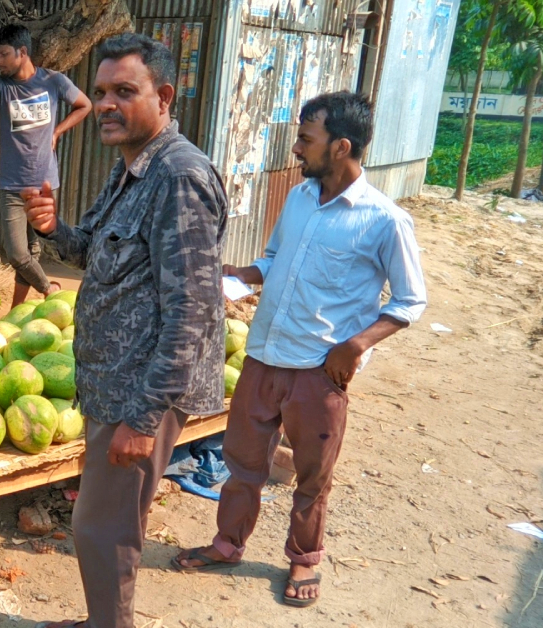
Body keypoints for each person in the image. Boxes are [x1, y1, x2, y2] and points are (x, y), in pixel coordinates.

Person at [171, 92, 427, 607]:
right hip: (264, 355)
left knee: (312, 476)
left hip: (318, 370)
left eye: (307, 139)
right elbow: (272, 259)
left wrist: (355, 346)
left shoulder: (384, 219)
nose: (296, 149)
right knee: (243, 463)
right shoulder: (299, 198)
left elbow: (410, 300)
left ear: (341, 147)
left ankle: (304, 560)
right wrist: (244, 275)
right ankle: (228, 545)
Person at [24, 34, 227, 628]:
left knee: (101, 528)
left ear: (163, 96)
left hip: (142, 391)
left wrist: (144, 418)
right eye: (102, 92)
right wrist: (54, 228)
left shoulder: (179, 176)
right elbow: (94, 252)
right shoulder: (132, 168)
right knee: (103, 525)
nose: (106, 104)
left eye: (124, 92)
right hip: (113, 383)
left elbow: (192, 309)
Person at [0, 24, 91, 305]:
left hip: (44, 182)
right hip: (11, 185)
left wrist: (58, 132)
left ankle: (16, 310)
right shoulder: (1, 84)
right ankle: (50, 290)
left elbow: (85, 105)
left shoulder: (54, 81)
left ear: (22, 53)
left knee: (33, 251)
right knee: (17, 253)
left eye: (3, 55)